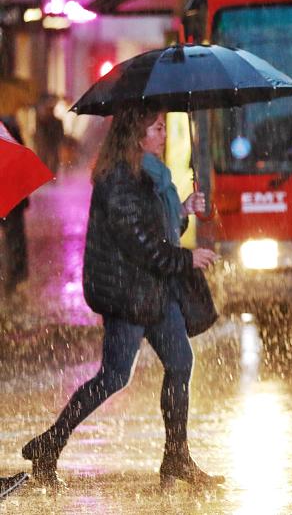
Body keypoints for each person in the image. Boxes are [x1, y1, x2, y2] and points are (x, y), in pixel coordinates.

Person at [21, 109, 222, 492]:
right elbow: (141, 244)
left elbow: (158, 230)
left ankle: (176, 455)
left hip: (156, 290)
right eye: (157, 126)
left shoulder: (152, 176)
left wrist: (181, 212)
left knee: (180, 363)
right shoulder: (118, 179)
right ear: (137, 133)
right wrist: (185, 258)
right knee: (113, 377)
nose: (164, 133)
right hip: (128, 294)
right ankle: (49, 444)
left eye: (164, 126)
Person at [1, 115, 31, 294]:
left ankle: (12, 277)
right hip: (12, 194)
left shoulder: (8, 126)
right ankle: (13, 277)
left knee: (13, 237)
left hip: (11, 194)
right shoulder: (10, 127)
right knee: (14, 238)